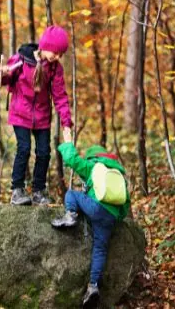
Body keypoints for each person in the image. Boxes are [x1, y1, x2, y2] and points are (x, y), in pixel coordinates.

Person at [0, 26, 73, 205]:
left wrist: (66, 123)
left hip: (42, 116)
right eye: (55, 52)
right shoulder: (22, 59)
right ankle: (17, 190)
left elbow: (60, 96)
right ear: (45, 45)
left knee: (44, 152)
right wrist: (2, 74)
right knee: (24, 148)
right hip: (21, 113)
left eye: (60, 54)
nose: (57, 57)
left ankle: (39, 190)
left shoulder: (55, 69)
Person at [51, 131, 131, 308]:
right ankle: (93, 286)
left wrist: (67, 142)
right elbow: (125, 201)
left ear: (93, 157)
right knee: (100, 249)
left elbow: (72, 160)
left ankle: (70, 215)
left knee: (72, 194)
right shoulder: (117, 172)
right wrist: (117, 217)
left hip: (95, 208)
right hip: (110, 217)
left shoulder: (93, 166)